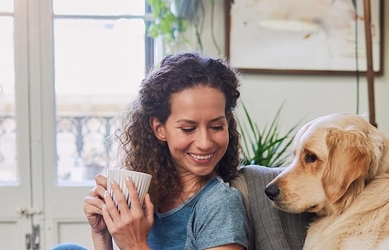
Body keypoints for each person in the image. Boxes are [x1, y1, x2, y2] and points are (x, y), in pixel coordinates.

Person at [52, 52, 249, 250]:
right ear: (159, 129)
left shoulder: (219, 204)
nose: (205, 143)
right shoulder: (152, 191)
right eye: (188, 129)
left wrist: (136, 244)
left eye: (216, 127)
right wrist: (102, 234)